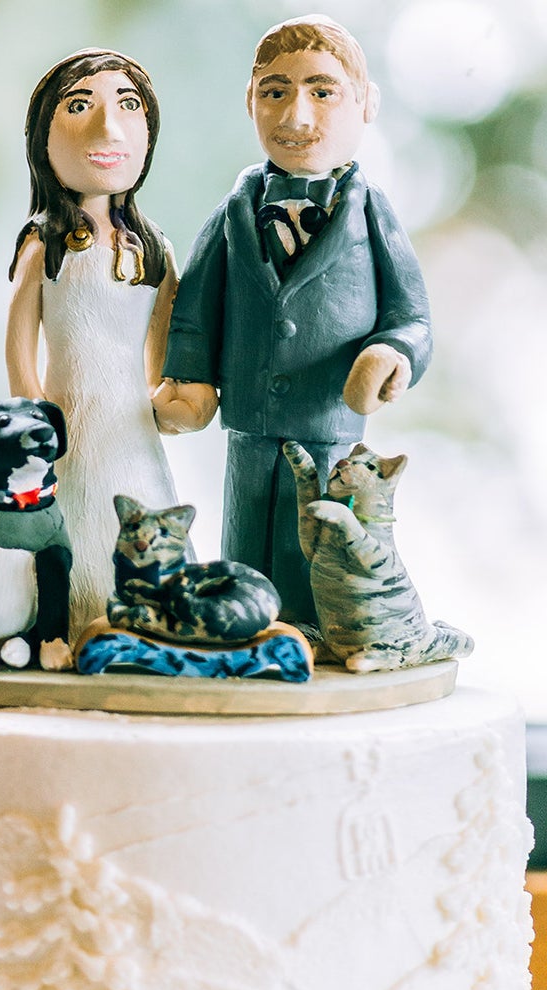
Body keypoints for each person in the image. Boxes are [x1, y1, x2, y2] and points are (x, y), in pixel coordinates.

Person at [157, 16, 432, 625]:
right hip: (249, 423)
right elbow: (196, 308)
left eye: (323, 91)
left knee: (318, 539)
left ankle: (316, 630)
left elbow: (411, 315)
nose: (296, 117)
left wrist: (392, 355)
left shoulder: (372, 215)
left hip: (328, 420)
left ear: (367, 105)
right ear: (250, 103)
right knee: (246, 534)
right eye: (275, 92)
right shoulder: (234, 213)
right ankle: (242, 626)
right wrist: (190, 379)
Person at [6, 49, 183, 642]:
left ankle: (145, 622)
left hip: (132, 426)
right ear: (42, 137)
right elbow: (19, 341)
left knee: (137, 514)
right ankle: (61, 625)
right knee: (69, 523)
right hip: (66, 420)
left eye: (127, 106)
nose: (107, 129)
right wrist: (33, 410)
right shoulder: (45, 243)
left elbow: (165, 342)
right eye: (79, 106)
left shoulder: (152, 250)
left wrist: (170, 396)